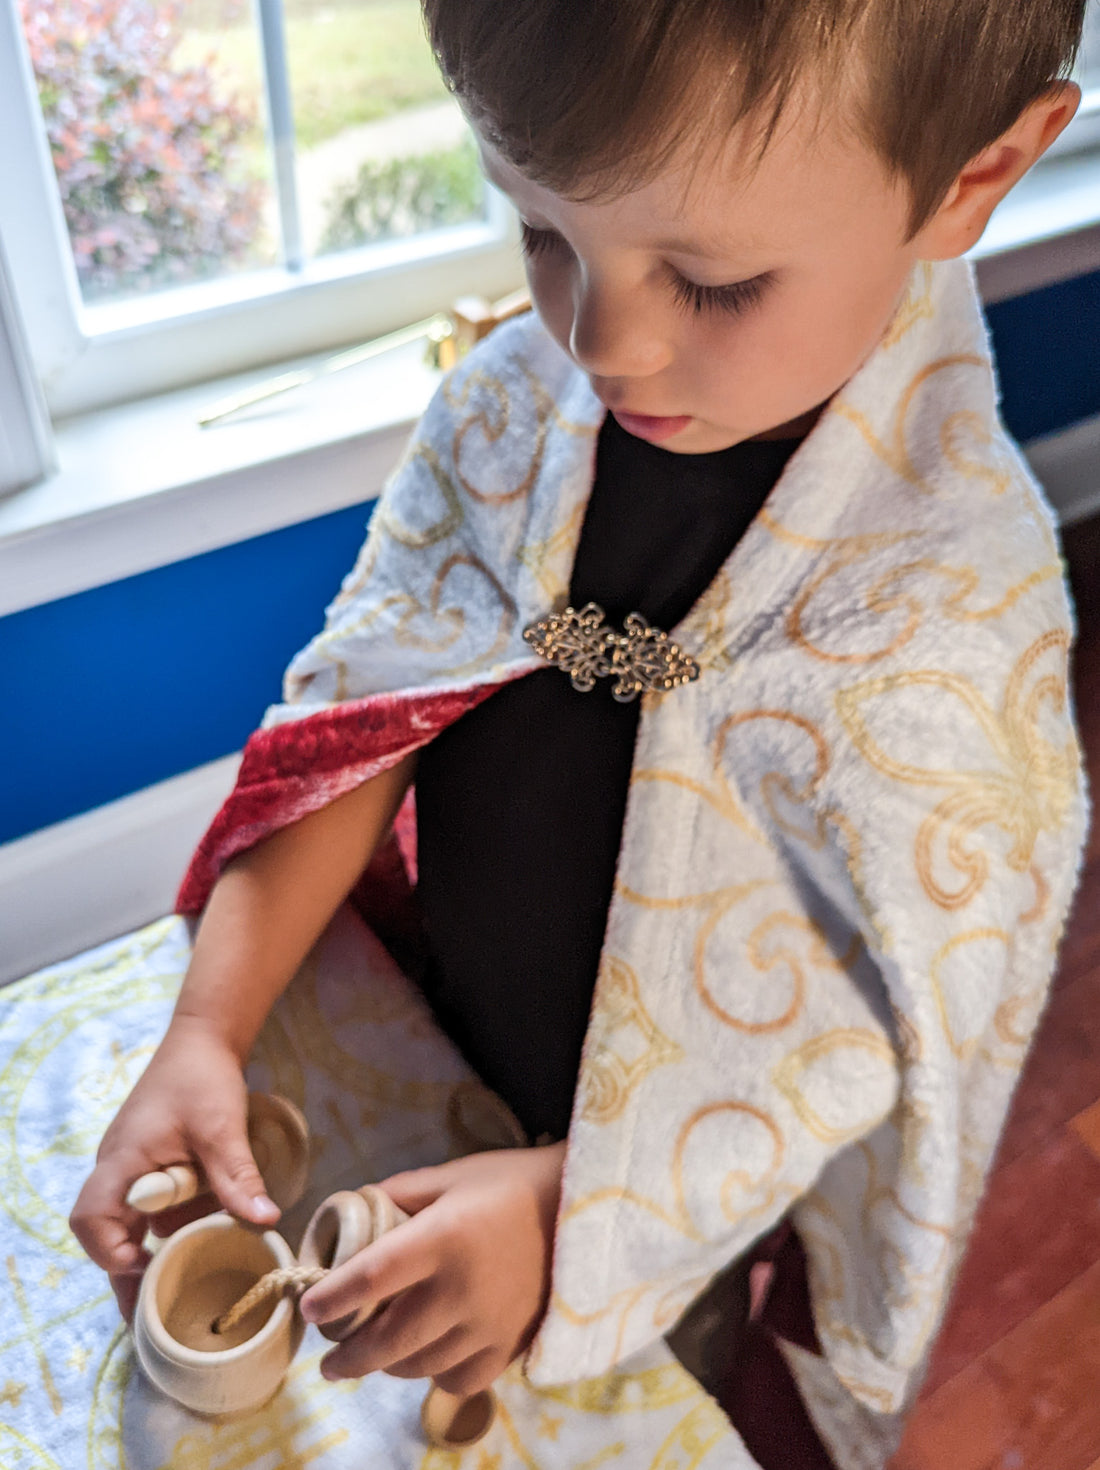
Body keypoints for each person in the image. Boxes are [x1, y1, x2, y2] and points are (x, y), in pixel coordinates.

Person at [71, 2, 1090, 1464]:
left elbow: (883, 1030)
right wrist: (206, 1029)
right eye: (541, 231)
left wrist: (571, 1210)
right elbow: (361, 717)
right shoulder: (509, 411)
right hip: (433, 1047)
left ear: (972, 178)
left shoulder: (959, 614)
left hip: (654, 1213)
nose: (600, 344)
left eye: (715, 277)